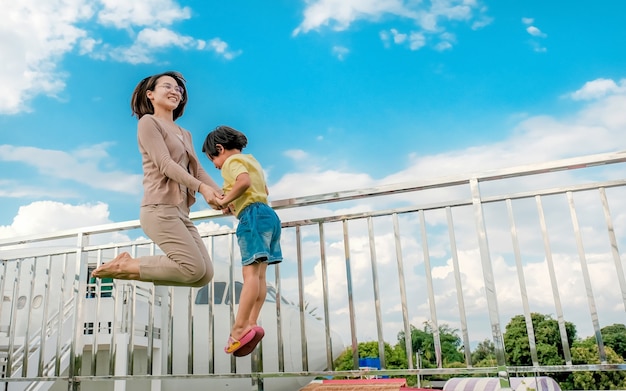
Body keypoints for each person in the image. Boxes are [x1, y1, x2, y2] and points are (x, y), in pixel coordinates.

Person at [91, 71, 223, 287]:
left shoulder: (184, 133)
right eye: (167, 86)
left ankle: (129, 269)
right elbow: (165, 163)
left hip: (181, 211)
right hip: (159, 208)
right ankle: (127, 265)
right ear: (150, 95)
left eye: (178, 89)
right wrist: (202, 189)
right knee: (192, 269)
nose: (175, 91)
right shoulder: (148, 122)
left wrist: (221, 195)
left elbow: (197, 170)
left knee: (203, 275)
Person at [202, 125, 282, 356]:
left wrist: (224, 199)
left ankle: (238, 328)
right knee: (260, 276)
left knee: (249, 276)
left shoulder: (230, 163)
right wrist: (234, 202)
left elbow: (243, 182)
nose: (216, 166)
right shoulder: (252, 160)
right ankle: (251, 323)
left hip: (252, 217)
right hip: (268, 216)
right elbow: (262, 189)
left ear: (219, 149)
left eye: (212, 160)